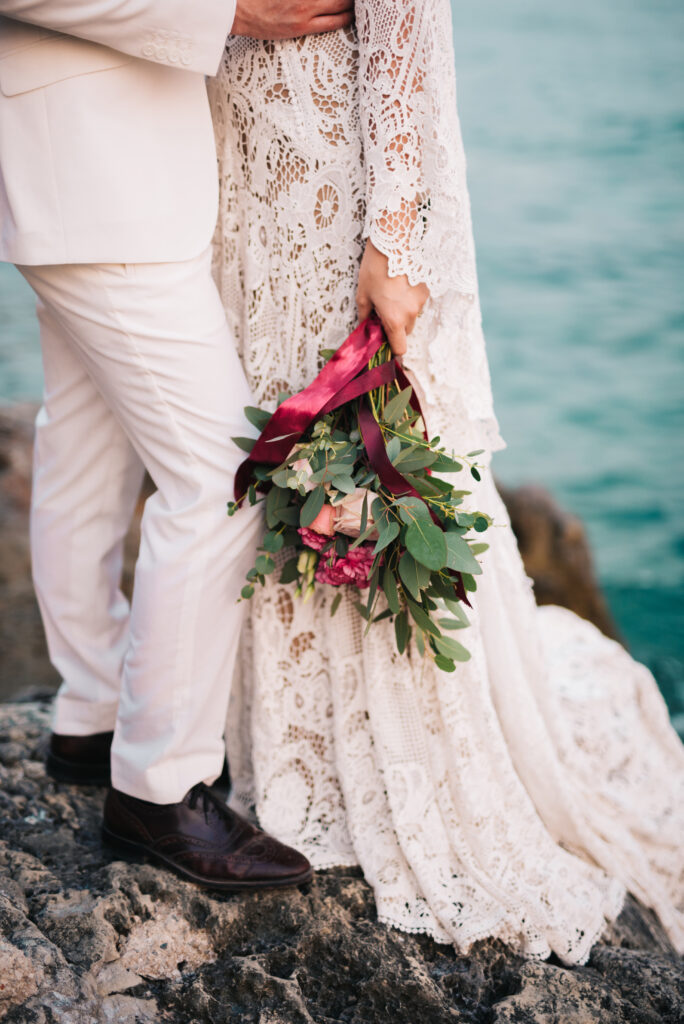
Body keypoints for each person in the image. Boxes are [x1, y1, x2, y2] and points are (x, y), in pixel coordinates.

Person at [208, 1, 684, 963]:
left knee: (350, 426)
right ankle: (268, 735)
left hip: (329, 169)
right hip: (241, 161)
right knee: (251, 425)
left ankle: (389, 760)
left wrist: (395, 235)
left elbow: (406, 23)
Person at [0, 0, 354, 890]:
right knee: (223, 475)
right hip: (89, 161)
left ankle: (94, 714)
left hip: (92, 161)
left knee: (86, 447)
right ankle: (159, 789)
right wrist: (224, 9)